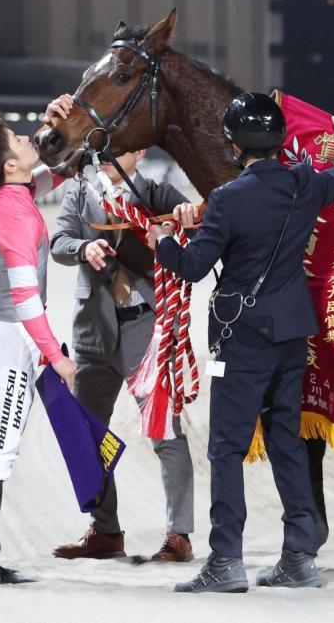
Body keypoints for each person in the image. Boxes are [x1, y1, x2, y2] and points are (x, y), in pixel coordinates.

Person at [146, 92, 334, 593]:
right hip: (291, 332)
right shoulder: (304, 182)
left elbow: (194, 266)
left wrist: (163, 240)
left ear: (233, 143)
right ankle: (299, 557)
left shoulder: (227, 199)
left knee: (226, 449)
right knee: (286, 442)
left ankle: (226, 561)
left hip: (240, 339)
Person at [45, 94, 199, 562]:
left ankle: (180, 535)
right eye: (120, 147)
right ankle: (105, 530)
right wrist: (82, 250)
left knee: (166, 435)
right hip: (93, 332)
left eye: (131, 148)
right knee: (87, 434)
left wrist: (189, 218)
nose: (128, 154)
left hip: (145, 333)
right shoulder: (79, 191)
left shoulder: (152, 193)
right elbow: (58, 240)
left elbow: (198, 215)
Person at [0, 111, 75, 584]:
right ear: (7, 165)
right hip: (9, 338)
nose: (27, 139)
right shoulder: (15, 218)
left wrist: (66, 164)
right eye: (17, 139)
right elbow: (27, 303)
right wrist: (56, 357)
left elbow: (33, 182)